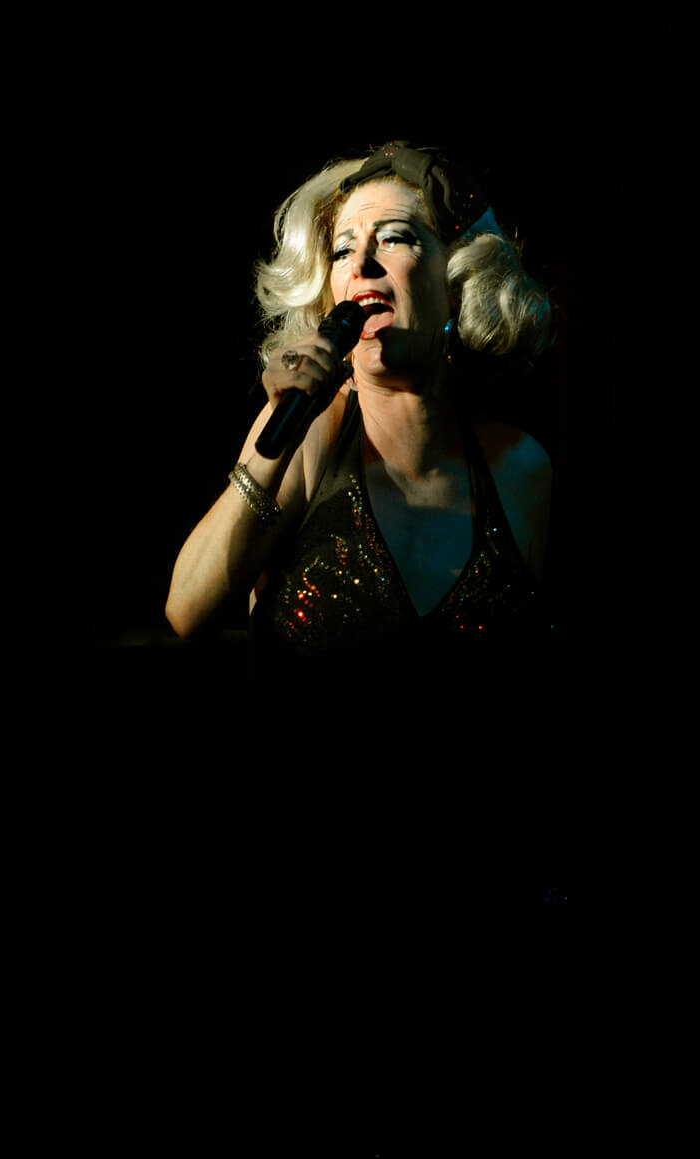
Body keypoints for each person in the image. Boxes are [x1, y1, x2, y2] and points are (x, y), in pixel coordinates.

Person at [164, 142, 557, 723]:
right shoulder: (309, 432)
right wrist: (275, 444)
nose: (361, 263)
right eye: (343, 249)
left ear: (456, 283)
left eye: (394, 238)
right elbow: (186, 611)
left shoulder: (519, 467)